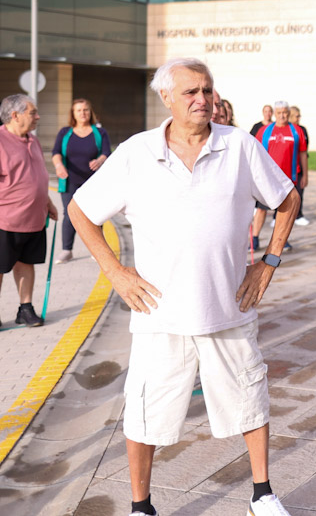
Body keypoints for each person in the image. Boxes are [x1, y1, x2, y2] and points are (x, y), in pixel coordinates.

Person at [68, 57, 300, 516]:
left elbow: (287, 198)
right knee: (145, 412)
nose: (203, 100)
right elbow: (80, 210)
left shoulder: (239, 146)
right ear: (166, 97)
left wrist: (269, 262)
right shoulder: (137, 152)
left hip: (229, 306)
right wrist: (116, 271)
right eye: (192, 92)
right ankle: (140, 506)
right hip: (159, 313)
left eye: (208, 90)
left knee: (251, 399)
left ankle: (263, 494)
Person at [0, 94, 58, 327]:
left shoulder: (32, 140)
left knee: (26, 263)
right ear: (15, 116)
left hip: (34, 219)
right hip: (5, 220)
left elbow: (37, 176)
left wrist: (48, 202)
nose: (37, 116)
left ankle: (25, 309)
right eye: (32, 112)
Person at [51, 98, 112, 264]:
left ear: (90, 112)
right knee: (69, 215)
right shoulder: (65, 132)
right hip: (70, 180)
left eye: (85, 110)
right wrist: (58, 166)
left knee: (96, 215)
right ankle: (67, 250)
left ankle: (97, 250)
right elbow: (56, 151)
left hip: (94, 182)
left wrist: (100, 160)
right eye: (78, 110)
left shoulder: (100, 132)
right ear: (73, 113)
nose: (82, 113)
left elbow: (106, 151)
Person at [251, 103, 307, 252]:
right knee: (262, 210)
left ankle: (282, 241)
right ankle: (254, 239)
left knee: (285, 212)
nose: (282, 115)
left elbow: (302, 153)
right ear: (275, 113)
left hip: (288, 179)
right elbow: (255, 152)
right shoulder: (265, 131)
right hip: (267, 179)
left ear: (289, 113)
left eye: (285, 112)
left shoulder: (296, 131)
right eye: (279, 112)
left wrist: (305, 175)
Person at [289, 106, 311, 227]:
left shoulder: (302, 129)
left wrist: (305, 175)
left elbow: (304, 150)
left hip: (299, 167)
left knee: (299, 192)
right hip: (287, 167)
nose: (299, 118)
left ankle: (298, 214)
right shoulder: (287, 129)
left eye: (299, 116)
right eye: (297, 116)